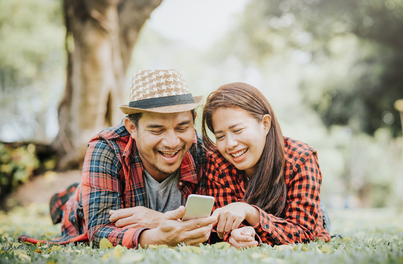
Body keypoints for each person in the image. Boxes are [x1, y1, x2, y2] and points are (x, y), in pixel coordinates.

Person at [19, 68, 216, 248]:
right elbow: (98, 231)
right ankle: (67, 197)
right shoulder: (106, 147)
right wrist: (156, 237)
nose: (172, 142)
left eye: (182, 127)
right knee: (74, 202)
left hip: (121, 193)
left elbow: (218, 218)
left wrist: (157, 220)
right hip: (80, 208)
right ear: (132, 128)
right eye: (157, 130)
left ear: (194, 120)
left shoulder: (202, 150)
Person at [202, 82, 330, 248]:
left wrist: (250, 212)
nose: (230, 144)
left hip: (311, 216)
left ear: (265, 124)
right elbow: (219, 226)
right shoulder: (217, 162)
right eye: (220, 137)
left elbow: (303, 233)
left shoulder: (301, 158)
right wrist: (236, 235)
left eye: (238, 130)